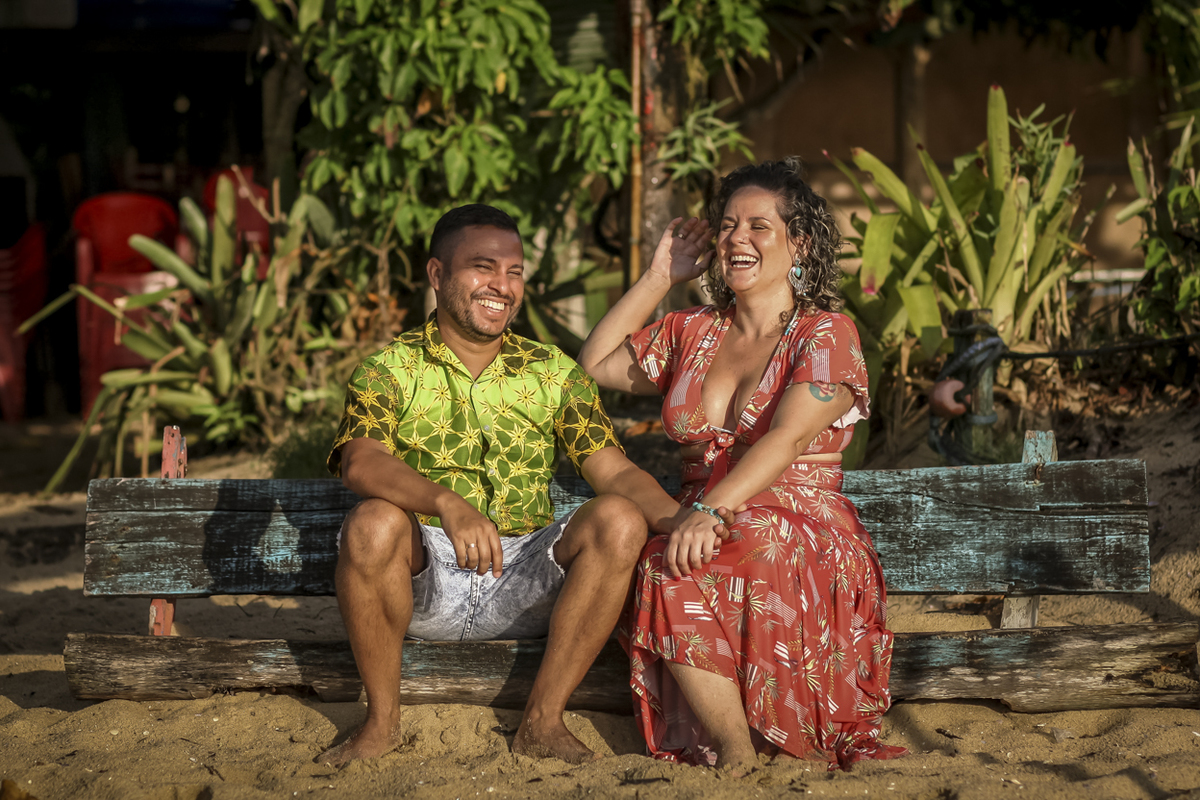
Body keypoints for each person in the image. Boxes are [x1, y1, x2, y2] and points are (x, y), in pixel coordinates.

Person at [321, 204, 682, 767]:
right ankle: (381, 723)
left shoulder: (554, 372)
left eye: (514, 271)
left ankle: (542, 722)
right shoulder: (388, 369)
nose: (502, 285)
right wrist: (447, 504)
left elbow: (612, 470)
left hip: (527, 580)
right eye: (483, 267)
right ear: (437, 274)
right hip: (424, 580)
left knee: (618, 517)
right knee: (371, 522)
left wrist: (679, 520)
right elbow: (361, 463)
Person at [578, 158, 906, 771]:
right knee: (664, 564)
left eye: (759, 225)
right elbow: (593, 365)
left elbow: (782, 441)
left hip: (798, 519)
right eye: (727, 225)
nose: (736, 239)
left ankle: (760, 741)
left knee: (737, 539)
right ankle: (735, 749)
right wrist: (659, 276)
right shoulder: (691, 332)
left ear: (798, 242)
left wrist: (708, 509)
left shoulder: (826, 334)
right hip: (711, 516)